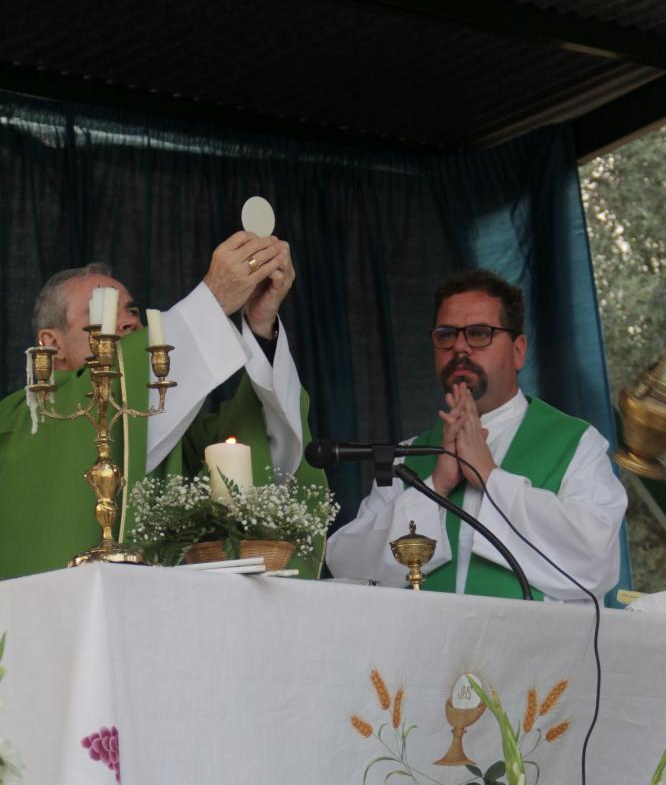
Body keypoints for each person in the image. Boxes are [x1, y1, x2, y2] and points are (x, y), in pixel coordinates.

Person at [1, 231, 324, 579]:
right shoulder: (25, 422)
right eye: (102, 311)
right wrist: (212, 302)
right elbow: (99, 414)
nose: (129, 321)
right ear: (52, 344)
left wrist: (260, 329)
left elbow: (261, 441)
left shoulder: (167, 425)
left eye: (133, 310)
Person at [326, 268, 627, 601]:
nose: (459, 348)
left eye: (480, 333)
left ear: (518, 351)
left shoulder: (576, 443)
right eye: (445, 335)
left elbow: (595, 559)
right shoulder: (408, 455)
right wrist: (434, 488)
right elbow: (348, 566)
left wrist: (489, 476)